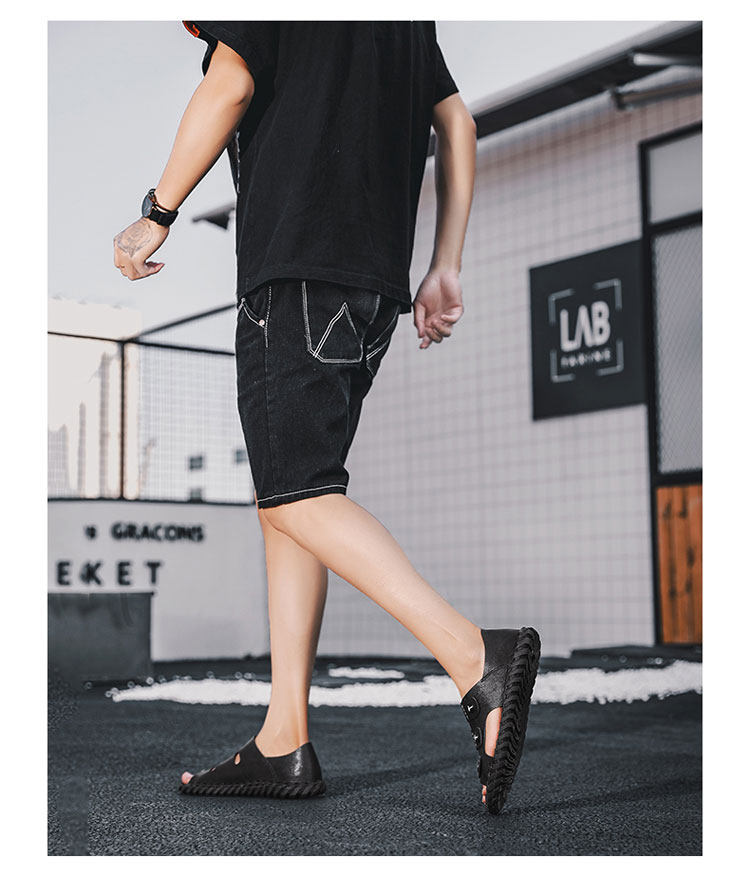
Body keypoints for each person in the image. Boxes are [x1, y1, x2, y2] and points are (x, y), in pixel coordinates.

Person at [113, 20, 540, 815]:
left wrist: (157, 210)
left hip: (297, 272)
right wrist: (446, 264)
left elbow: (230, 84)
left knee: (296, 493)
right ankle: (285, 737)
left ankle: (474, 654)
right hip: (373, 286)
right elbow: (457, 121)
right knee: (291, 500)